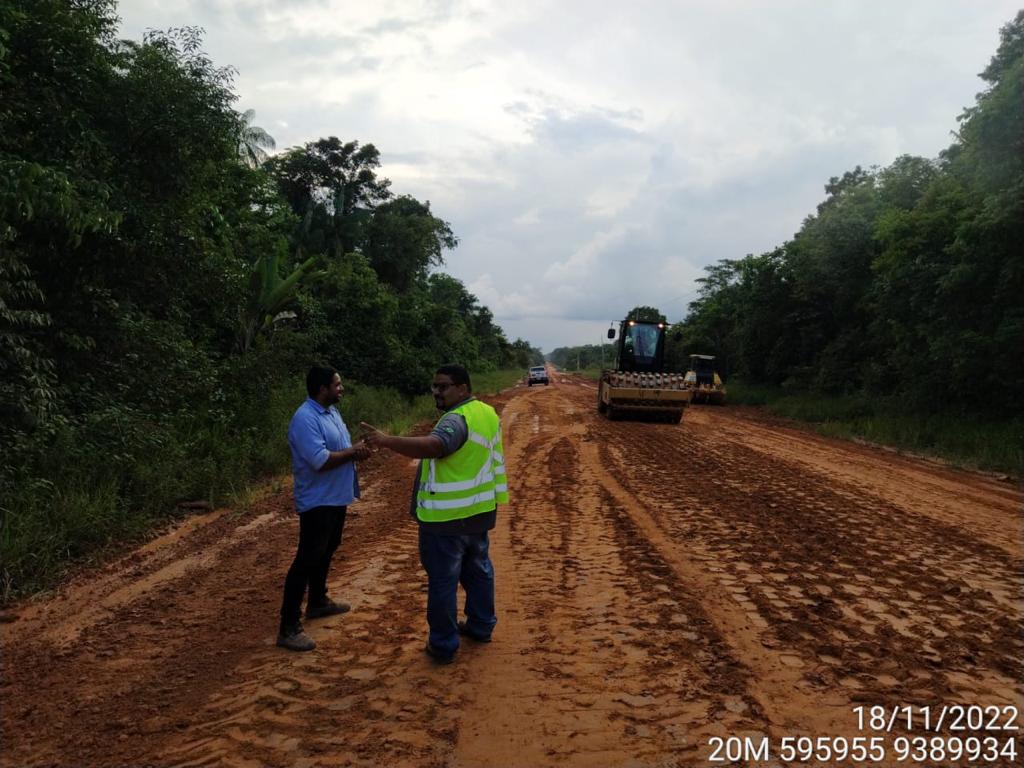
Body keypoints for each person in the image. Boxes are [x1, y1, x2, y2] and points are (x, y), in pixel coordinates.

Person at [361, 364, 508, 664]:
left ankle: (443, 645)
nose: (437, 392)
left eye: (443, 387)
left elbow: (435, 446)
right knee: (478, 572)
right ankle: (481, 626)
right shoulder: (486, 413)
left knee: (443, 581)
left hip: (446, 519)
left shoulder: (455, 420)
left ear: (463, 388)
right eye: (434, 387)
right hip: (478, 511)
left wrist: (387, 440)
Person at [277, 365, 371, 652]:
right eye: (337, 384)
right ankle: (288, 627)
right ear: (322, 388)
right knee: (306, 559)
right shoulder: (305, 419)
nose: (341, 388)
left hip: (335, 497)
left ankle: (317, 601)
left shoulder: (330, 412)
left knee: (327, 549)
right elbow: (319, 460)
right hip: (317, 500)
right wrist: (353, 452)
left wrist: (355, 451)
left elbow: (338, 451)